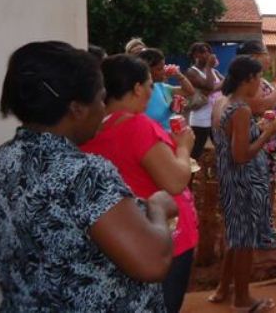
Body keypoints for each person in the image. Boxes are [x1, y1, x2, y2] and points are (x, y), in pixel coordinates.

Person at [0, 41, 175, 311]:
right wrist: (157, 208)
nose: (103, 109)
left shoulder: (2, 160)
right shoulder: (84, 173)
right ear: (76, 109)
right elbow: (153, 262)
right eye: (100, 99)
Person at [81, 54, 199, 313]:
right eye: (149, 85)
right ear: (136, 88)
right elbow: (176, 181)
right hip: (165, 237)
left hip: (124, 239)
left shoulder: (89, 131)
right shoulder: (137, 126)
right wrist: (183, 148)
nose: (151, 91)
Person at [210, 55, 276, 312]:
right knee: (244, 243)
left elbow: (230, 143)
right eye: (259, 77)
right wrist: (266, 133)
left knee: (235, 235)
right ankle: (242, 300)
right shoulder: (240, 109)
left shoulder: (221, 102)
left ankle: (222, 289)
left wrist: (256, 129)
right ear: (249, 79)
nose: (260, 83)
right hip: (244, 183)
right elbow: (240, 155)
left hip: (229, 180)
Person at [236, 39, 276, 191]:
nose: (269, 58)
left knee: (268, 185)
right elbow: (259, 107)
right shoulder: (249, 79)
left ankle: (266, 212)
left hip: (274, 144)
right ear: (254, 57)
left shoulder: (256, 77)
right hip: (268, 144)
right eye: (265, 54)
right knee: (265, 185)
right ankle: (264, 213)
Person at [137, 48, 195, 131]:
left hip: (168, 137)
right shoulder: (136, 94)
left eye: (163, 67)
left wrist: (179, 75)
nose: (164, 71)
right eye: (159, 69)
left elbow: (189, 91)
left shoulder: (160, 86)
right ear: (147, 70)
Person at [185, 42, 224, 160]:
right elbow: (209, 85)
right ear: (195, 55)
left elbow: (226, 82)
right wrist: (209, 67)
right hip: (200, 119)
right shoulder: (191, 72)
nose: (206, 54)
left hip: (216, 117)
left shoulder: (214, 72)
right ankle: (189, 177)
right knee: (195, 152)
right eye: (202, 52)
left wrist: (210, 90)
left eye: (208, 51)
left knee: (222, 149)